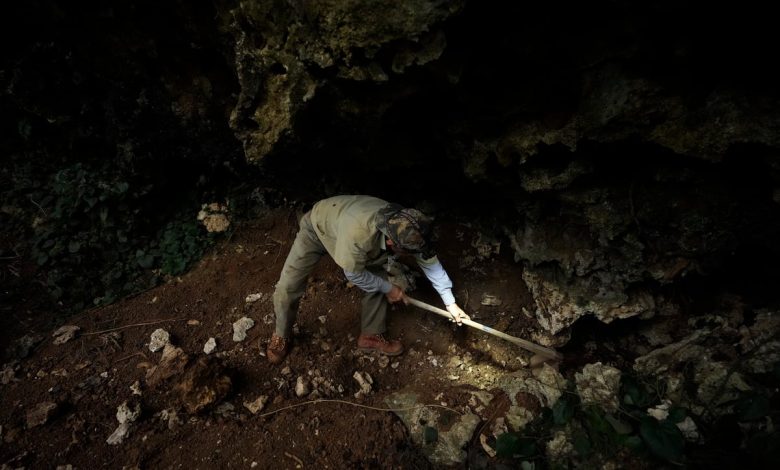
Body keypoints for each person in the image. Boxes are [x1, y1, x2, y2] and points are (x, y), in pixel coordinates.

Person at [266, 195, 469, 364]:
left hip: (352, 235)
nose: (411, 256)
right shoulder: (360, 233)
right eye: (407, 252)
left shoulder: (408, 230)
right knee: (288, 284)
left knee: (378, 280)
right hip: (319, 227)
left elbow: (429, 262)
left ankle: (371, 335)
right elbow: (353, 274)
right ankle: (281, 335)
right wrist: (389, 288)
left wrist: (450, 302)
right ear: (392, 241)